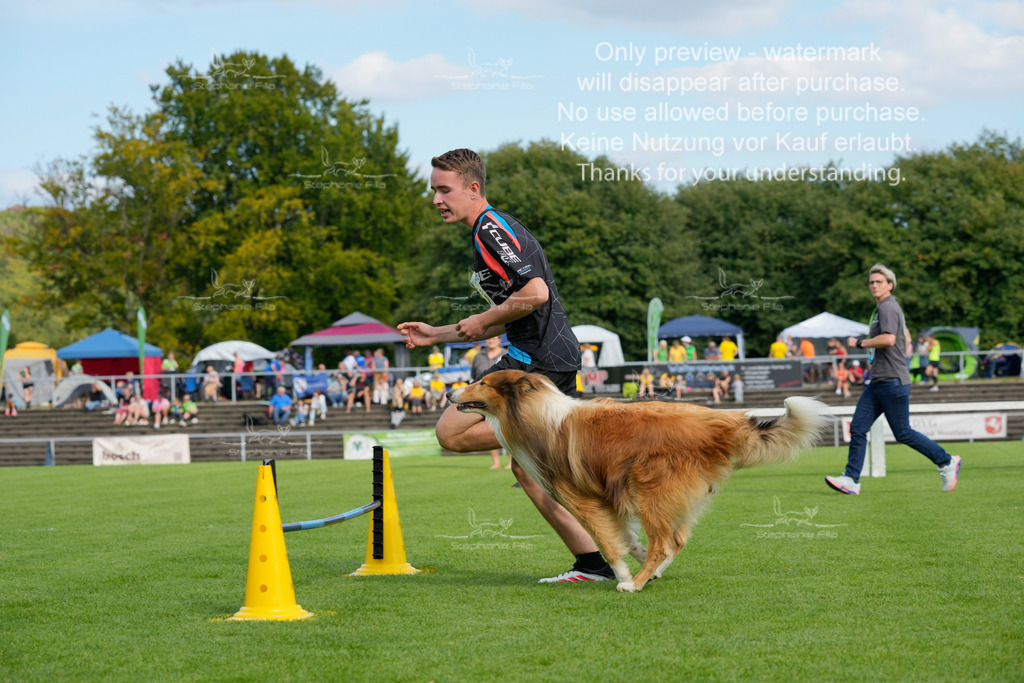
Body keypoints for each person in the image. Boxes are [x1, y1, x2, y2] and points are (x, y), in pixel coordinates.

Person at [398, 148, 612, 583]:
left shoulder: (490, 230)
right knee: (532, 467)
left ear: (473, 189)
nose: (436, 199)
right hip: (538, 356)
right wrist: (435, 334)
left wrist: (485, 318)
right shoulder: (489, 230)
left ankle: (606, 540)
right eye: (433, 190)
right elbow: (495, 317)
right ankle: (596, 562)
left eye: (444, 190)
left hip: (536, 360)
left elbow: (535, 294)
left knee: (451, 433)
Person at [825, 264, 961, 495]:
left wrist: (860, 343)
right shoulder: (884, 308)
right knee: (858, 428)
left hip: (892, 381)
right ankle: (851, 479)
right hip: (880, 380)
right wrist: (885, 356)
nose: (874, 285)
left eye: (879, 281)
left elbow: (889, 339)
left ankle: (947, 462)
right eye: (871, 282)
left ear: (890, 284)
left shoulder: (888, 307)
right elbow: (905, 337)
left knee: (903, 433)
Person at [471, 336, 509, 469]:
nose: (491, 340)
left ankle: (511, 462)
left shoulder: (506, 354)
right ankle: (496, 462)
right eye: (488, 339)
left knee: (506, 429)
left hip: (502, 399)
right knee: (489, 428)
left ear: (499, 340)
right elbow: (473, 376)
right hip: (482, 400)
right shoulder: (478, 356)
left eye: (494, 338)